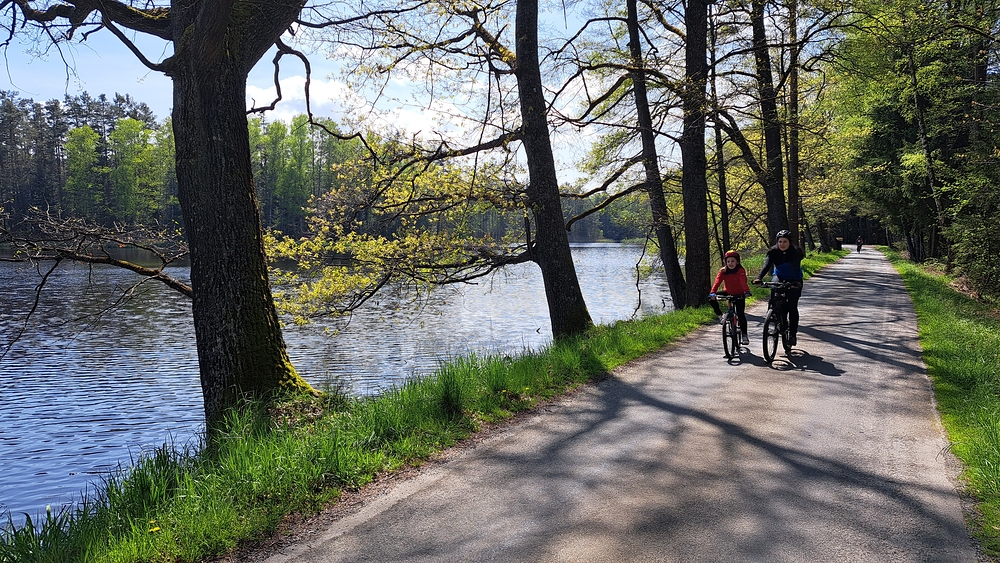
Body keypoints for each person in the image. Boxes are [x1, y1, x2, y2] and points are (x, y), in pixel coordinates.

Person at [752, 229, 804, 346]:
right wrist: (759, 278)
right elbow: (766, 266)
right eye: (780, 241)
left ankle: (792, 334)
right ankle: (775, 314)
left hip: (794, 279)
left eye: (785, 241)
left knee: (791, 306)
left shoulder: (796, 252)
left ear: (789, 242)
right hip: (779, 277)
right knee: (774, 292)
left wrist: (795, 283)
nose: (782, 244)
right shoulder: (773, 252)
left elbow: (795, 267)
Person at [709, 250, 753, 345]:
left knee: (741, 314)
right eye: (728, 261)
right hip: (728, 292)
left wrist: (746, 291)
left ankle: (744, 335)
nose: (730, 263)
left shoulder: (740, 270)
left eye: (733, 261)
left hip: (740, 293)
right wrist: (712, 292)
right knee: (710, 298)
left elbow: (742, 282)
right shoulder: (723, 271)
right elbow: (717, 282)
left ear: (737, 262)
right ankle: (720, 316)